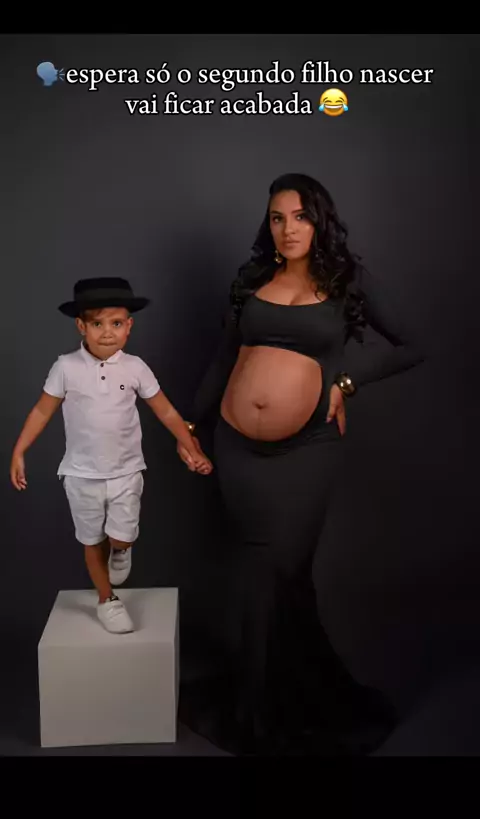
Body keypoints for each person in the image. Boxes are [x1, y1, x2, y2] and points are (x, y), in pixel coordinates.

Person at [176, 173, 425, 756]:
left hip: (306, 449)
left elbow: (413, 344)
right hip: (236, 448)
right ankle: (271, 695)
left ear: (320, 220)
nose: (288, 229)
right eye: (277, 218)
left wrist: (347, 381)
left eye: (300, 216)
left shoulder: (346, 279)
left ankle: (273, 707)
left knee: (277, 569)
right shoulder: (252, 280)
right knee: (266, 575)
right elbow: (224, 358)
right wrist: (189, 424)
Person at [10, 277, 212, 634]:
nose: (107, 332)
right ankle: (107, 600)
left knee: (120, 537)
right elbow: (42, 411)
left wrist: (191, 445)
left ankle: (121, 549)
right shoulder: (65, 367)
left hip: (125, 471)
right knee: (91, 540)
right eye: (97, 324)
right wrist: (19, 450)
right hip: (81, 474)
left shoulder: (135, 367)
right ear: (81, 326)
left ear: (129, 326)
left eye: (116, 323)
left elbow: (165, 411)